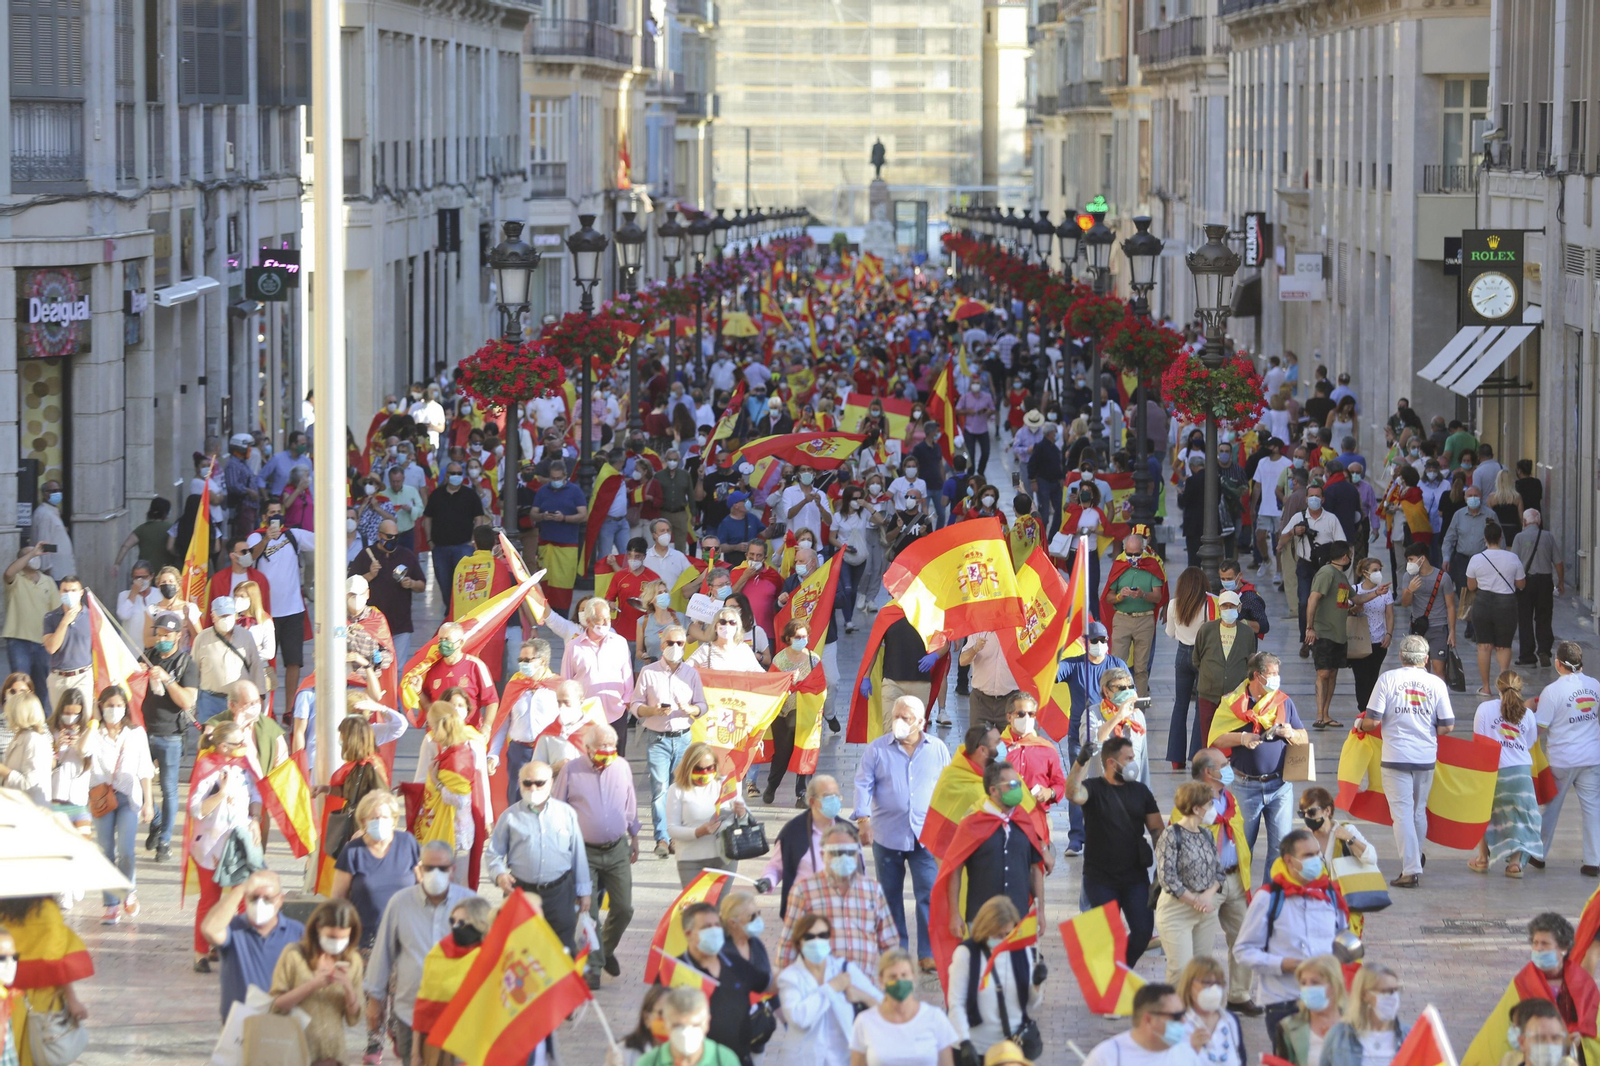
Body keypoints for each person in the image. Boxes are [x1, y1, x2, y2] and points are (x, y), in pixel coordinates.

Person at [853, 695, 950, 972]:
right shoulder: (876, 750)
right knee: (890, 896)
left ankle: (928, 952)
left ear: (921, 722)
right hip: (887, 836)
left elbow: (947, 787)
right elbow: (863, 783)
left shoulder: (938, 749)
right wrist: (863, 819)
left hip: (926, 836)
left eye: (905, 718)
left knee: (929, 894)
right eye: (896, 716)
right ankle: (896, 951)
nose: (898, 722)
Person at [363, 839, 477, 1065]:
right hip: (411, 1013)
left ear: (452, 870)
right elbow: (383, 953)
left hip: (458, 1014)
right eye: (429, 868)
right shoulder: (400, 902)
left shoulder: (471, 903)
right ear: (419, 869)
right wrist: (375, 1000)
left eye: (442, 868)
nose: (436, 873)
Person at [1360, 634, 1454, 887]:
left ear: (1401, 657)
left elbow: (1373, 722)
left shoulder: (1388, 679)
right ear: (1425, 659)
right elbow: (1448, 726)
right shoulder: (1436, 684)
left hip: (1396, 757)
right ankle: (1415, 857)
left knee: (1401, 813)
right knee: (1418, 810)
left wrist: (1359, 723)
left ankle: (1411, 869)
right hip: (1425, 756)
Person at [1233, 830, 1347, 1039]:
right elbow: (1243, 951)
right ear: (1289, 860)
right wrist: (1282, 964)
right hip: (1284, 1001)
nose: (1317, 860)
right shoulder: (1269, 898)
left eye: (1317, 854)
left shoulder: (1329, 894)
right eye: (1308, 856)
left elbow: (1342, 937)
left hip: (1326, 1001)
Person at [554, 721, 639, 987]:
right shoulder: (571, 769)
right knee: (587, 911)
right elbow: (558, 808)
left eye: (611, 746)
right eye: (602, 746)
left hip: (616, 848)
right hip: (583, 852)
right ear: (588, 748)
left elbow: (630, 803)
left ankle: (604, 950)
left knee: (624, 908)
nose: (607, 751)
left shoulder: (622, 766)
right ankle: (593, 965)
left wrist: (635, 837)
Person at [1065, 736, 1163, 967]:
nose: (1132, 762)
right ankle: (1112, 982)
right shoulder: (1093, 788)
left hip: (1135, 878)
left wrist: (1164, 864)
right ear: (1111, 762)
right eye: (1128, 758)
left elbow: (1157, 829)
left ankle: (1121, 969)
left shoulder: (1141, 792)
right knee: (1106, 935)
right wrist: (1080, 761)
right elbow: (1072, 793)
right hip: (1100, 879)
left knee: (1142, 932)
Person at [486, 758, 590, 952]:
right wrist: (499, 874)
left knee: (563, 949)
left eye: (539, 783)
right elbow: (494, 854)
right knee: (523, 951)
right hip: (521, 893)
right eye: (528, 782)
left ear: (550, 783)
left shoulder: (566, 813)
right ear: (520, 783)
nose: (533, 787)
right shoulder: (509, 817)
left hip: (559, 892)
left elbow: (578, 854)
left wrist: (584, 891)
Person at [79, 686, 155, 924]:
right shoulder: (95, 733)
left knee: (126, 850)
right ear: (101, 706)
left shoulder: (136, 733)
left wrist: (148, 803)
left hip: (128, 796)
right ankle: (111, 904)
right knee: (105, 851)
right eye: (109, 705)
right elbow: (82, 750)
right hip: (102, 796)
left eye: (119, 705)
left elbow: (145, 769)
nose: (115, 710)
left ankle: (128, 889)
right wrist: (92, 720)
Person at [781, 822, 899, 974]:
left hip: (864, 986)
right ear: (823, 855)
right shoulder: (804, 891)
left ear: (857, 855)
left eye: (849, 852)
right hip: (820, 987)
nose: (844, 857)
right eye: (836, 852)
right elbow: (789, 945)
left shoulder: (873, 890)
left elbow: (889, 942)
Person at [1187, 748, 1255, 1010]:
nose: (1229, 767)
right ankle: (1198, 1000)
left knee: (1244, 940)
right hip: (1206, 886)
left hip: (1236, 878)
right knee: (1201, 947)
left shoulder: (1229, 799)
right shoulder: (1190, 802)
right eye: (1224, 764)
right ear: (1208, 772)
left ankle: (1239, 995)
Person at [1056, 621, 1127, 855]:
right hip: (1081, 737)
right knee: (1078, 783)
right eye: (1094, 640)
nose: (1099, 645)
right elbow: (1050, 674)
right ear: (1084, 643)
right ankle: (1076, 838)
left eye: (1103, 640)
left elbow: (1130, 695)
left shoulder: (1117, 665)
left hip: (1111, 737)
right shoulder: (1074, 665)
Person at [945, 895, 1045, 1060]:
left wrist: (1037, 984)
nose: (1004, 940)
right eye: (997, 935)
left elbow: (1030, 1003)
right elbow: (956, 1004)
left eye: (1008, 933)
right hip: (973, 1048)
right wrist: (964, 1042)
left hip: (1010, 1049)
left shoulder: (1022, 951)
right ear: (985, 930)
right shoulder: (966, 954)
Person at [779, 911, 883, 1066]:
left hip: (844, 1059)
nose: (817, 941)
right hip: (804, 1061)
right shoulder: (789, 977)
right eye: (809, 937)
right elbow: (798, 1018)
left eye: (822, 935)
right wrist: (831, 988)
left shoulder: (845, 969)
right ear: (799, 942)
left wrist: (862, 996)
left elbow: (884, 1006)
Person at [268, 899, 365, 1063]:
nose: (337, 943)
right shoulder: (294, 955)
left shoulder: (353, 961)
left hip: (334, 1053)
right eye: (331, 937)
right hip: (296, 1051)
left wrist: (348, 987)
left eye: (343, 938)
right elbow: (276, 1007)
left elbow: (353, 1018)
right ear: (318, 928)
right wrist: (313, 984)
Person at [200, 869, 305, 1019]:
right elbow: (209, 930)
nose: (260, 903)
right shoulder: (233, 928)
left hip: (282, 1021)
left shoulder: (297, 932)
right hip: (239, 1025)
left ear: (280, 900)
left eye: (267, 898)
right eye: (254, 897)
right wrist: (241, 888)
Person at [1468, 671, 1544, 876]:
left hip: (1493, 771)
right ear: (1521, 688)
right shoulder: (1528, 715)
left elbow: (1479, 742)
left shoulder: (1484, 709)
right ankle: (1515, 865)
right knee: (1519, 818)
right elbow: (1529, 743)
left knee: (1485, 814)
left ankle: (1483, 859)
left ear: (1497, 686)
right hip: (1520, 774)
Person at [1534, 641, 1600, 874]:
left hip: (1562, 759)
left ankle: (1538, 854)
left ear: (1558, 664)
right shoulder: (1594, 685)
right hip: (1592, 757)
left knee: (1552, 808)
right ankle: (1593, 861)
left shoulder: (1552, 691)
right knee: (1593, 809)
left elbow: (1539, 727)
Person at [669, 900, 762, 1066]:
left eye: (717, 925)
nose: (714, 930)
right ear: (689, 934)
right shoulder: (674, 972)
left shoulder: (735, 964)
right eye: (706, 927)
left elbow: (766, 985)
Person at [1154, 781, 1228, 985]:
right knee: (1180, 971)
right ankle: (1175, 1012)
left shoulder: (1206, 834)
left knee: (1200, 971)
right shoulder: (1171, 835)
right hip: (1176, 911)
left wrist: (1206, 896)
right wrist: (1195, 900)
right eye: (1209, 804)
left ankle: (1195, 1012)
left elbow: (1219, 873)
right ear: (1196, 808)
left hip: (1204, 912)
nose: (1212, 809)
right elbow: (1167, 878)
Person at [329, 789, 421, 950]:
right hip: (365, 941)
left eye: (384, 817)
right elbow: (338, 897)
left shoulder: (407, 843)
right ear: (364, 821)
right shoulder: (352, 851)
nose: (380, 822)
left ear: (393, 819)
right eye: (374, 818)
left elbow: (423, 884)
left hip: (405, 939)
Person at [245, 503, 316, 696]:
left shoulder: (293, 535)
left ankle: (289, 708)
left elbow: (322, 540)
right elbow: (249, 558)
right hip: (266, 614)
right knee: (266, 662)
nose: (276, 516)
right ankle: (267, 705)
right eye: (272, 513)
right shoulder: (256, 536)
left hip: (293, 611)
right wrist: (267, 537)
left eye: (278, 512)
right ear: (264, 516)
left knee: (294, 662)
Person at [849, 947, 960, 1066]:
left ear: (914, 977)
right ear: (881, 981)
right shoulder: (865, 1021)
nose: (899, 981)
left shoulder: (935, 1017)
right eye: (892, 976)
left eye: (904, 975)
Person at [561, 597, 636, 755]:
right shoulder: (573, 647)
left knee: (616, 759)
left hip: (616, 712)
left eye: (607, 619)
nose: (605, 624)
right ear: (588, 621)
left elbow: (627, 675)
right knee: (588, 759)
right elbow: (566, 681)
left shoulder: (619, 643)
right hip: (586, 716)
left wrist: (627, 702)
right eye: (600, 620)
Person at [667, 741, 747, 887]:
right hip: (690, 860)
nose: (705, 773)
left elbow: (746, 820)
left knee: (718, 908)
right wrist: (698, 832)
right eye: (699, 768)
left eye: (710, 768)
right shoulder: (676, 789)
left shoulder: (725, 785)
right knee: (695, 909)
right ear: (688, 767)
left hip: (724, 858)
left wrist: (742, 814)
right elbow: (672, 829)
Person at [1099, 528, 1168, 696]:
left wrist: (1143, 594)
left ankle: (1140, 707)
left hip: (1144, 620)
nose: (1133, 559)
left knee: (1141, 668)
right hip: (1122, 619)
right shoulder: (1119, 565)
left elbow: (1159, 595)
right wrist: (1119, 596)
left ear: (1143, 551)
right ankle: (1115, 703)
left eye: (1137, 554)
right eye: (1129, 554)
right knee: (1116, 667)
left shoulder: (1152, 565)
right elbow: (1107, 597)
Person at [1277, 487, 1347, 649]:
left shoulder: (1331, 519)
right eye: (1311, 496)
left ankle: (1326, 637)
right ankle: (1305, 639)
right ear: (1306, 499)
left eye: (1317, 496)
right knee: (1304, 602)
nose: (1314, 499)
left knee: (1326, 603)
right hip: (1305, 565)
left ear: (1323, 499)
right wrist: (1294, 531)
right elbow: (1283, 539)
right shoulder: (1298, 517)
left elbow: (1341, 543)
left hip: (1326, 568)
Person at [1191, 592, 1259, 759]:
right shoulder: (1206, 630)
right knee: (1208, 735)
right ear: (1219, 608)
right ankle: (1208, 765)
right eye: (1225, 606)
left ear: (1239, 608)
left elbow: (1250, 660)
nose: (1228, 609)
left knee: (1233, 734)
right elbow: (1197, 659)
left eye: (1232, 606)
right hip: (1208, 693)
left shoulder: (1247, 633)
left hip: (1235, 698)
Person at [1081, 982, 1213, 1066]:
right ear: (1149, 1020)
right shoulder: (1107, 1056)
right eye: (1176, 1016)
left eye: (1183, 1014)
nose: (1184, 1021)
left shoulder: (1186, 1054)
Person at [352, 518, 425, 666]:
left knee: (397, 668)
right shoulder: (365, 555)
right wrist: (370, 575)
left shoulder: (406, 555)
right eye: (389, 537)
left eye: (396, 537)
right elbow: (350, 585)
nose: (393, 540)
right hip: (372, 625)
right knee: (372, 668)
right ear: (380, 535)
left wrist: (411, 583)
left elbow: (422, 584)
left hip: (400, 623)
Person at [1467, 522, 1526, 696]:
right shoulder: (1512, 558)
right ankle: (1504, 687)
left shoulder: (1476, 559)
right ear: (1501, 538)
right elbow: (1521, 584)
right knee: (1503, 646)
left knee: (1484, 646)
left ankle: (1485, 687)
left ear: (1484, 538)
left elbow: (1471, 586)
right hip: (1506, 603)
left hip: (1483, 602)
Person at [768, 618, 823, 805]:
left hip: (805, 714)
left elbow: (820, 686)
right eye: (798, 637)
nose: (802, 640)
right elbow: (772, 685)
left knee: (805, 751)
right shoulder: (780, 659)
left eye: (804, 636)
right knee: (782, 753)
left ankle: (802, 794)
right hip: (782, 713)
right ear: (788, 638)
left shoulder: (813, 659)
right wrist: (789, 682)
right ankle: (772, 785)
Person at [1302, 538, 1354, 728]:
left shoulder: (1342, 577)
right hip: (1324, 632)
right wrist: (1310, 627)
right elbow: (1313, 599)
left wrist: (1377, 592)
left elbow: (1353, 599)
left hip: (1338, 634)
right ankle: (1319, 715)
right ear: (1344, 557)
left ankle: (1326, 714)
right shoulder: (1326, 573)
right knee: (1323, 672)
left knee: (1332, 673)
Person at [423, 459, 485, 613]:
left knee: (463, 582)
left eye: (459, 473)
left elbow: (479, 517)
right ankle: (449, 610)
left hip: (463, 547)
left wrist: (473, 540)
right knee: (444, 582)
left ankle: (460, 611)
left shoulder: (470, 495)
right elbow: (427, 518)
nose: (456, 476)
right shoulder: (436, 495)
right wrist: (429, 541)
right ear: (447, 475)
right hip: (440, 547)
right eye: (453, 473)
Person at [1164, 567, 1212, 768]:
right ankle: (1196, 755)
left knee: (1180, 706)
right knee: (1201, 706)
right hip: (1203, 655)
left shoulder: (1174, 604)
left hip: (1182, 654)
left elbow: (1170, 633)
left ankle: (1176, 758)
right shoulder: (1207, 605)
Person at [1318, 964, 1408, 1066]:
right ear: (1365, 995)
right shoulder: (1340, 1035)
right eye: (1385, 992)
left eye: (1396, 991)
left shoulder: (1409, 1036)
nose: (1393, 997)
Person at [636, 986, 745, 1066]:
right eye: (677, 1025)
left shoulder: (724, 1060)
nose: (685, 1032)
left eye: (695, 1025)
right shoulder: (648, 1062)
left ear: (706, 1023)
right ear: (666, 1024)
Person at [2, 545, 58, 697]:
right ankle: (17, 719)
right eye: (30, 554)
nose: (35, 556)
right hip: (18, 641)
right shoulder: (16, 579)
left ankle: (41, 719)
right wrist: (32, 552)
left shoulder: (48, 581)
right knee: (19, 685)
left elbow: (56, 612)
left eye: (37, 554)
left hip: (43, 643)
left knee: (43, 687)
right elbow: (8, 573)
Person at [1397, 541, 1457, 679]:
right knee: (1420, 669)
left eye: (1411, 559)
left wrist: (1452, 631)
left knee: (1439, 668)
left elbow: (1450, 606)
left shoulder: (1443, 578)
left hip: (1439, 628)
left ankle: (1438, 698)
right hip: (1418, 628)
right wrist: (1410, 591)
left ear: (1422, 558)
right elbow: (1405, 603)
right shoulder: (1409, 576)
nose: (1409, 563)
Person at [1274, 955, 1347, 1065]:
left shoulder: (1357, 1024)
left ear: (1334, 986)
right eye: (1303, 983)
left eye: (1315, 983)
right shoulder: (1288, 1026)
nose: (1308, 988)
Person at [1512, 509, 1562, 669]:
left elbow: (1514, 562)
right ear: (1539, 522)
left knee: (1525, 619)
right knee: (1544, 617)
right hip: (1545, 582)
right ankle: (1544, 651)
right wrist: (1560, 582)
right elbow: (1558, 562)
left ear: (1525, 522)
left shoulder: (1519, 537)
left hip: (1525, 582)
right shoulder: (1548, 536)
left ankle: (1527, 656)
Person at [1347, 556, 1394, 716]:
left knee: (1373, 677)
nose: (1378, 573)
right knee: (1361, 678)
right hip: (1359, 641)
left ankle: (1372, 709)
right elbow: (1345, 611)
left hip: (1378, 641)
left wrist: (1389, 633)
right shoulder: (1355, 590)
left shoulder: (1385, 592)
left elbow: (1389, 615)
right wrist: (1354, 609)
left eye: (1380, 570)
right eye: (1375, 570)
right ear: (1365, 573)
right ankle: (1363, 709)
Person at [1178, 955, 1245, 1066]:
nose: (1214, 988)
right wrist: (1191, 1050)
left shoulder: (1231, 1021)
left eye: (1218, 983)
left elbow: (1242, 1060)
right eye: (1206, 983)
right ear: (1189, 985)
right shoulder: (1177, 1023)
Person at [1090, 667, 1151, 786]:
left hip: (1131, 792)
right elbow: (1093, 743)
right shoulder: (1092, 714)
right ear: (1106, 692)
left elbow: (1143, 759)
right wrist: (1118, 716)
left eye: (1131, 687)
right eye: (1121, 688)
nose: (1127, 691)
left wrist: (1146, 792)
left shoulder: (1137, 716)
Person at [1002, 693, 1065, 808]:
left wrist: (1050, 792)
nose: (1026, 718)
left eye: (1031, 714)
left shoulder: (1046, 749)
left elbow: (1060, 783)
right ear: (1009, 717)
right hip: (1005, 816)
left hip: (1038, 817)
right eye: (1021, 714)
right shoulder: (997, 748)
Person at [0, 692, 51, 806]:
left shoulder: (34, 740)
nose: (6, 715)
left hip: (31, 812)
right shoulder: (20, 736)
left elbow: (30, 783)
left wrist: (4, 771)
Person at [608, 985, 672, 1066]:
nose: (668, 1019)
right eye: (661, 1013)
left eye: (674, 1014)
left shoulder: (687, 1052)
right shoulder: (626, 1052)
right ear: (646, 1018)